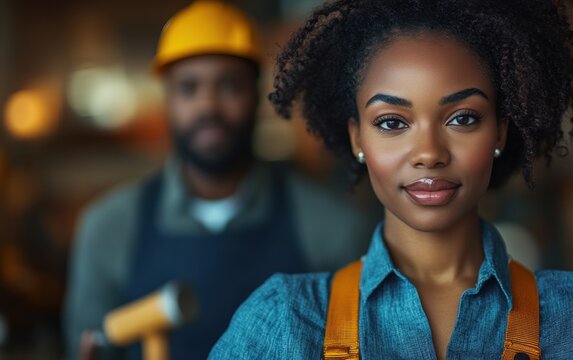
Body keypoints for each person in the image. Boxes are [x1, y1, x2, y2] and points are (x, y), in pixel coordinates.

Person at [209, 0, 573, 359]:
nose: (430, 153)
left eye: (462, 118)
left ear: (501, 132)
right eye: (392, 122)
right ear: (357, 137)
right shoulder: (284, 320)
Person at [63, 1, 373, 359]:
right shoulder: (108, 229)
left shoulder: (332, 227)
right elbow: (85, 348)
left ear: (257, 97)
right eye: (189, 88)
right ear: (167, 99)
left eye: (228, 85)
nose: (208, 106)